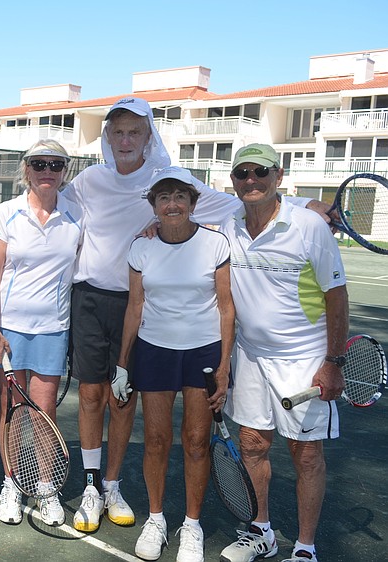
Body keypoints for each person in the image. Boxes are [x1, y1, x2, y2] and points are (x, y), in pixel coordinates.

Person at [62, 96, 334, 534]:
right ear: (108, 138)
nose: (126, 140)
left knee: (123, 401)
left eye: (135, 132)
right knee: (92, 397)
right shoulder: (89, 179)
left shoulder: (169, 178)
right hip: (92, 300)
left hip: (143, 308)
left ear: (148, 136)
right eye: (118, 132)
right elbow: (53, 204)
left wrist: (308, 204)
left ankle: (112, 484)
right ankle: (92, 487)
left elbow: (237, 201)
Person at [218, 144, 348, 562]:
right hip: (250, 356)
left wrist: (333, 362)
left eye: (261, 172)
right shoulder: (228, 224)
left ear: (278, 175)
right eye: (243, 173)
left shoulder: (308, 227)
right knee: (252, 442)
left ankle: (305, 548)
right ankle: (262, 532)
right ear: (233, 180)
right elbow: (179, 206)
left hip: (304, 359)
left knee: (306, 454)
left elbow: (337, 296)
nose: (251, 180)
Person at [115, 166, 234, 562]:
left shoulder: (215, 244)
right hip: (155, 351)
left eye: (180, 196)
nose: (172, 204)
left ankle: (192, 526)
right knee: (156, 440)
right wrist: (123, 364)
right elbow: (135, 307)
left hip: (203, 352)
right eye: (164, 197)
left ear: (193, 203)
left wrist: (224, 365)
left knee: (197, 441)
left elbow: (226, 308)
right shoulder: (141, 248)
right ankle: (156, 519)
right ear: (154, 206)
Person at [0, 139, 83, 527]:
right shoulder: (6, 214)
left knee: (45, 411)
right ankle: (11, 483)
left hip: (53, 330)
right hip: (10, 329)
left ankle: (45, 486)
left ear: (64, 171)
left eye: (55, 165)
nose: (47, 171)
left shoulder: (77, 216)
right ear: (27, 169)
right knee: (10, 410)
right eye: (39, 164)